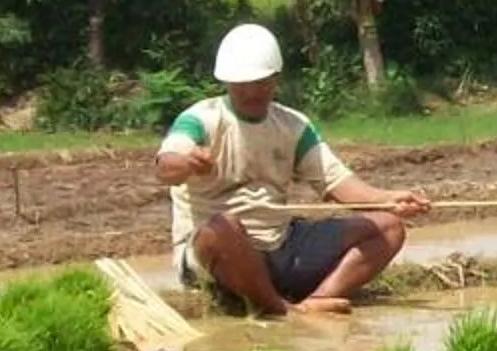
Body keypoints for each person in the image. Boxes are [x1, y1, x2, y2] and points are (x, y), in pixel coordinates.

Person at [155, 24, 428, 317]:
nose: (251, 92)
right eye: (241, 84)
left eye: (260, 82)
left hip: (280, 245)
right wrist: (187, 162)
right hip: (216, 254)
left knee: (388, 228)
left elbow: (336, 181)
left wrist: (388, 199)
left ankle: (319, 300)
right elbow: (165, 166)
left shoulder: (293, 126)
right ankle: (283, 310)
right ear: (226, 83)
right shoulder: (200, 120)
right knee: (223, 228)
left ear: (275, 79)